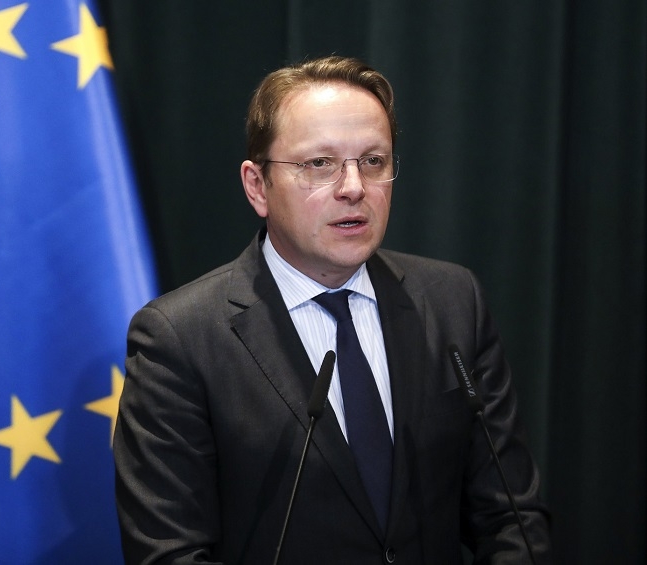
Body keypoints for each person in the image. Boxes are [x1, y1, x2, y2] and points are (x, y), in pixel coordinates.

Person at [113, 56, 551, 564]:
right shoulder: (180, 338)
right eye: (320, 164)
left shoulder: (453, 301)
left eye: (373, 161)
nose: (354, 187)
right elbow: (170, 553)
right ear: (257, 186)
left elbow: (511, 518)